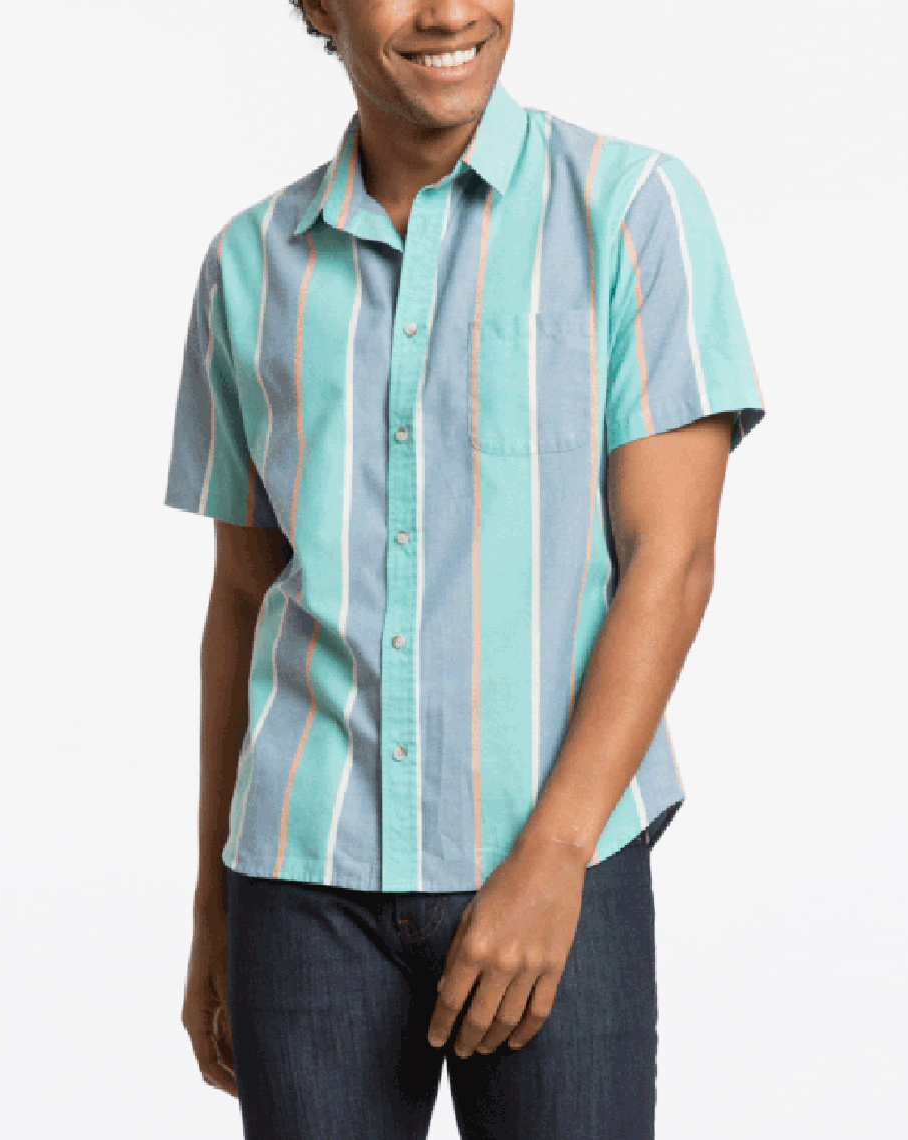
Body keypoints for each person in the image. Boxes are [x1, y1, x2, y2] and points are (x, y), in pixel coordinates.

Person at [164, 2, 766, 1136]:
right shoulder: (249, 263)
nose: (448, 11)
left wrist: (555, 858)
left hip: (560, 859)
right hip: (302, 879)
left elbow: (672, 560)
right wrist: (213, 907)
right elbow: (243, 592)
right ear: (316, 7)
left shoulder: (631, 208)